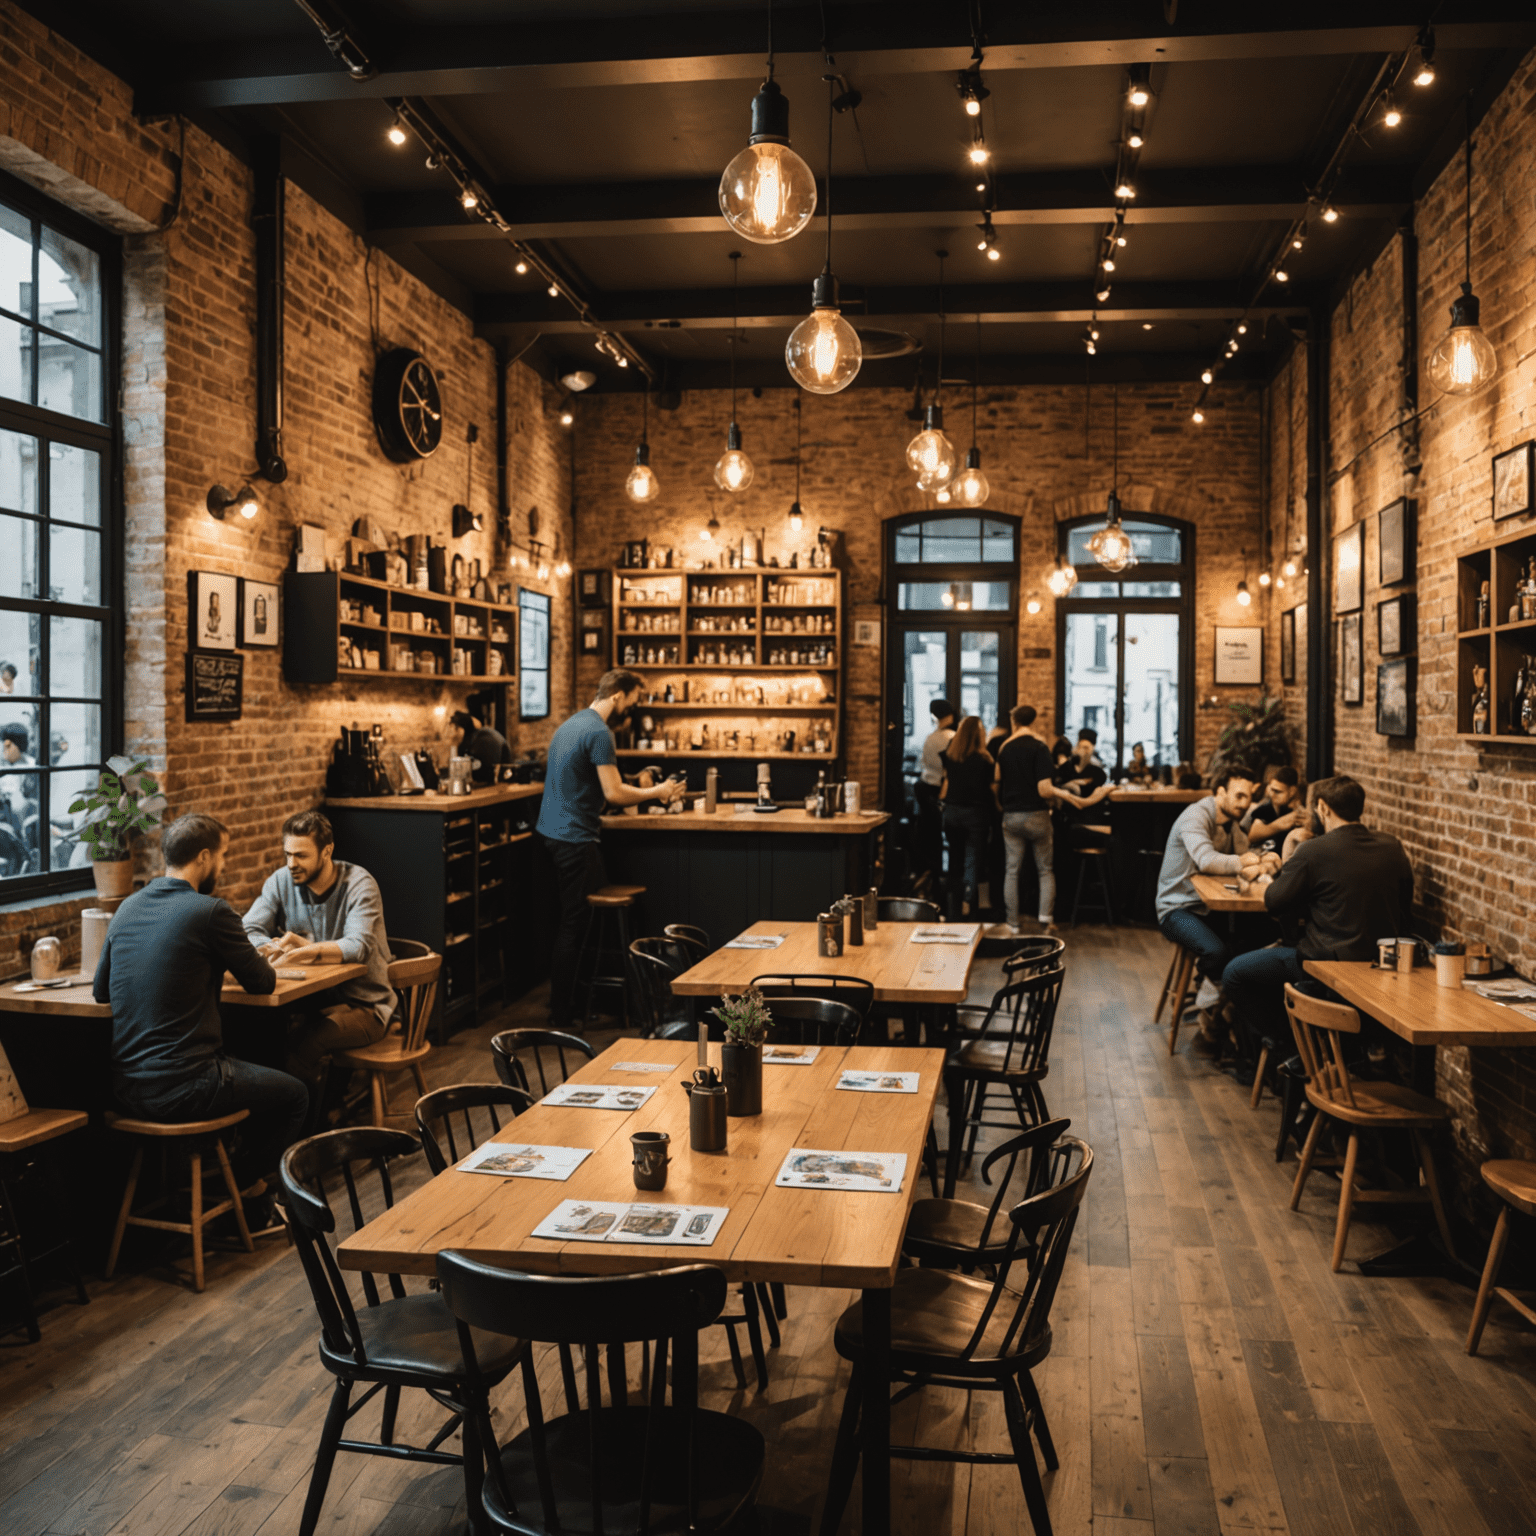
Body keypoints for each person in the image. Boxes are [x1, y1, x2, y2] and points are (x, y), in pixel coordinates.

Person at [93, 813, 306, 1216]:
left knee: (242, 1073)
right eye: (223, 857)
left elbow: (101, 991)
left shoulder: (126, 908)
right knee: (294, 1095)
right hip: (187, 1086)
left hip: (128, 1089)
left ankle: (233, 1187)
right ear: (204, 857)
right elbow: (263, 982)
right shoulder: (209, 911)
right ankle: (246, 1189)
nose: (223, 866)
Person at [1223, 775, 1414, 1059]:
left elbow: (1273, 902)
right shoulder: (1393, 847)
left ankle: (1297, 1046)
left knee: (1234, 973)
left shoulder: (1313, 850)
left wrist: (1285, 865)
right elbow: (1404, 904)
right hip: (1383, 966)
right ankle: (1322, 1046)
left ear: (1323, 808)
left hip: (1323, 965)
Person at [536, 670, 686, 1029]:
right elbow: (614, 794)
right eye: (633, 700)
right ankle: (564, 1012)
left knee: (575, 924)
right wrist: (658, 791)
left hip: (553, 834)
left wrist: (635, 782)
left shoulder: (572, 724)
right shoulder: (600, 733)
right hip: (574, 838)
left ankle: (575, 1002)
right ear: (618, 695)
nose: (633, 709)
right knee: (575, 926)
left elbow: (588, 780)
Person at [242, 809, 397, 1129]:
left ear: (327, 851)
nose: (291, 863)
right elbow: (248, 928)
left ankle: (306, 1134)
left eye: (301, 855)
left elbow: (358, 947)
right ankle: (269, 1131)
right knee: (255, 1030)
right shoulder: (282, 881)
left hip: (367, 1005)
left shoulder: (359, 883)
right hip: (313, 999)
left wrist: (304, 951)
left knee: (305, 1044)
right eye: (287, 853)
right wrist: (268, 946)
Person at [1155, 766, 1266, 1052]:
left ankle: (1221, 1010)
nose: (1244, 804)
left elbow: (1244, 854)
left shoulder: (1231, 822)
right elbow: (1206, 859)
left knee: (1254, 941)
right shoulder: (1197, 816)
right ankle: (1211, 1005)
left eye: (1248, 797)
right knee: (1217, 952)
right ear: (1219, 793)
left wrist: (1263, 861)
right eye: (1238, 796)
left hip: (1207, 907)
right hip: (1176, 907)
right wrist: (1250, 862)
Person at [992, 704, 1092, 936]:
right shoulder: (1040, 746)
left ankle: (1012, 923)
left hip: (1012, 815)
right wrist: (1065, 794)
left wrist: (1002, 805)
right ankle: (1047, 921)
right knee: (1045, 870)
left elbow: (997, 780)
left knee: (1012, 870)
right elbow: (1045, 789)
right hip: (1037, 815)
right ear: (1033, 721)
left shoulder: (1004, 747)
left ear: (1014, 721)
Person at [939, 716, 994, 919]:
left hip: (952, 812)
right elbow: (990, 790)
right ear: (979, 734)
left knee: (954, 860)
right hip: (975, 813)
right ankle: (968, 908)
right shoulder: (985, 760)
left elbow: (945, 784)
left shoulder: (950, 757)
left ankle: (951, 909)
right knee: (972, 861)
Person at [914, 698, 956, 879]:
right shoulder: (952, 739)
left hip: (925, 786)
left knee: (930, 835)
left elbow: (923, 763)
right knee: (947, 833)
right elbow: (951, 769)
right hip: (942, 790)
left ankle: (931, 871)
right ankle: (946, 875)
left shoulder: (930, 738)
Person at [1243, 766, 1306, 853]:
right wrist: (1281, 823)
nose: (1272, 794)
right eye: (1271, 790)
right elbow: (1253, 835)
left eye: (1277, 791)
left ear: (1292, 791)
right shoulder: (1265, 807)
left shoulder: (1298, 810)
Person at [450, 710, 513, 784]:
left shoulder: (484, 739)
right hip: (495, 786)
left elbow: (482, 775)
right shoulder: (472, 740)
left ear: (460, 729)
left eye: (452, 729)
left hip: (501, 787)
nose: (450, 735)